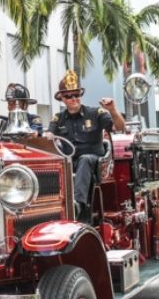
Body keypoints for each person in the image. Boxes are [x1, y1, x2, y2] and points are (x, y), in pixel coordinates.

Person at [43, 70, 125, 219]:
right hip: (69, 163)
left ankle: (78, 204)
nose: (74, 99)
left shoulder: (96, 113)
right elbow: (49, 136)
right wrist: (47, 137)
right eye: (69, 96)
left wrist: (113, 110)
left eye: (77, 95)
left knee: (85, 159)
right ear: (62, 98)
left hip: (96, 163)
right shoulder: (58, 118)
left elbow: (118, 127)